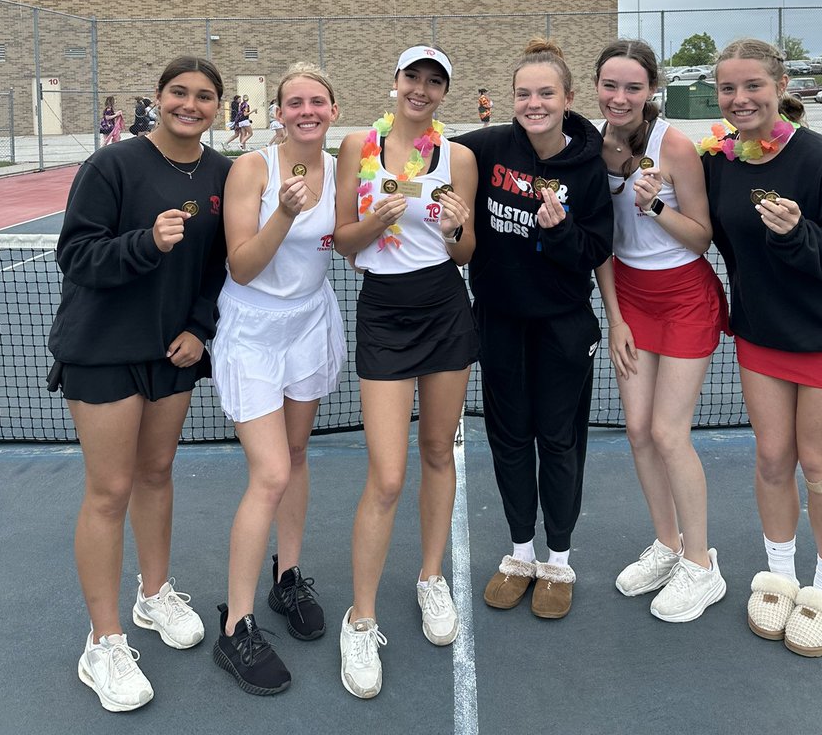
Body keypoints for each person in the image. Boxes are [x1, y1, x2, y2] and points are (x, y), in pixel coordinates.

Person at [47, 56, 231, 712]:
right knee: (111, 488)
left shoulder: (221, 174)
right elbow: (76, 254)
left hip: (171, 352)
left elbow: (220, 264)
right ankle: (104, 642)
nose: (191, 104)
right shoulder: (111, 167)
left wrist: (201, 326)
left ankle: (154, 595)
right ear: (157, 100)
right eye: (179, 92)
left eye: (204, 96)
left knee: (156, 473)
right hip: (101, 349)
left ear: (219, 106)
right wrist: (145, 244)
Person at [701, 38, 822, 657]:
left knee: (819, 466)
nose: (740, 99)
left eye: (753, 85)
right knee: (771, 458)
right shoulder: (720, 161)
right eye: (728, 88)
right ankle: (779, 575)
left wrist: (797, 234)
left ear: (781, 86)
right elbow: (713, 233)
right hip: (761, 334)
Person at [334, 44, 477, 699]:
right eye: (412, 78)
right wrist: (373, 220)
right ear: (393, 82)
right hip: (385, 315)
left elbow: (465, 250)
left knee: (438, 453)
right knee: (387, 474)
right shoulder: (358, 146)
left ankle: (430, 578)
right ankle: (361, 619)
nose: (421, 90)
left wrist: (455, 226)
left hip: (445, 309)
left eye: (434, 82)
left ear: (444, 93)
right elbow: (344, 242)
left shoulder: (459, 157)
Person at [454, 38, 613, 621]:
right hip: (498, 321)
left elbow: (595, 251)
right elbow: (421, 155)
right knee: (510, 439)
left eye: (546, 93)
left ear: (568, 98)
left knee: (560, 441)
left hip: (563, 327)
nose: (534, 103)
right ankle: (521, 553)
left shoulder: (589, 168)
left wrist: (563, 230)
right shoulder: (489, 147)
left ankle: (558, 560)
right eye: (523, 93)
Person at [211, 64, 346, 695]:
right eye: (295, 102)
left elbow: (350, 242)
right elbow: (241, 267)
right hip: (254, 331)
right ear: (279, 113)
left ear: (332, 108)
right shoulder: (253, 171)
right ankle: (236, 626)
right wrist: (285, 216)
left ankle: (286, 578)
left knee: (296, 455)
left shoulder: (346, 169)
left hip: (309, 322)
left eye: (317, 101)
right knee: (268, 472)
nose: (306, 110)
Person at [593, 39, 729, 623]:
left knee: (670, 432)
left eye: (632, 87)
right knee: (638, 431)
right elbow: (603, 244)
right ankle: (667, 543)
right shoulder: (591, 144)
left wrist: (653, 208)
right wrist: (616, 316)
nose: (620, 97)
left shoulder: (673, 144)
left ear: (652, 90)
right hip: (631, 298)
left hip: (684, 298)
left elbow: (701, 238)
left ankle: (701, 564)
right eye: (610, 85)